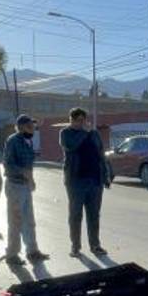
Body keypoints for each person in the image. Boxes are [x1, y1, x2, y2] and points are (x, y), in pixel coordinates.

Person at [60, 107, 111, 256]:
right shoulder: (65, 133)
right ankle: (75, 247)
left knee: (94, 215)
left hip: (95, 180)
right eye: (78, 120)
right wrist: (84, 132)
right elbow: (71, 146)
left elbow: (101, 153)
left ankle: (95, 245)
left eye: (83, 120)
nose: (81, 123)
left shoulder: (94, 134)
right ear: (71, 120)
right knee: (75, 215)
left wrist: (106, 174)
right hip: (76, 180)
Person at [3, 115, 49, 265]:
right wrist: (24, 173)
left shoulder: (27, 142)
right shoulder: (13, 141)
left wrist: (31, 180)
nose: (33, 129)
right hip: (15, 185)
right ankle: (12, 254)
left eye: (33, 126)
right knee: (15, 221)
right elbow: (8, 164)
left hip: (25, 185)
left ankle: (32, 251)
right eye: (30, 126)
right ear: (21, 127)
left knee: (29, 220)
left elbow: (28, 166)